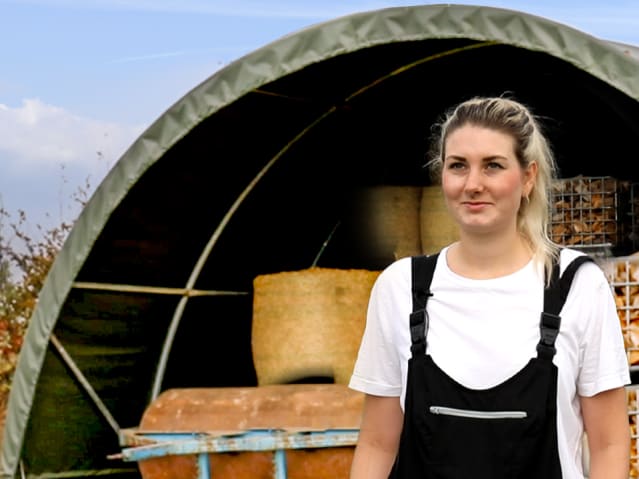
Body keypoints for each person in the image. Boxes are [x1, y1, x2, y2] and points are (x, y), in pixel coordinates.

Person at [348, 96, 630, 479]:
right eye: (458, 166)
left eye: (493, 166)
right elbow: (378, 444)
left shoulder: (576, 286)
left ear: (528, 177)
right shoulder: (401, 288)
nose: (473, 184)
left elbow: (610, 445)